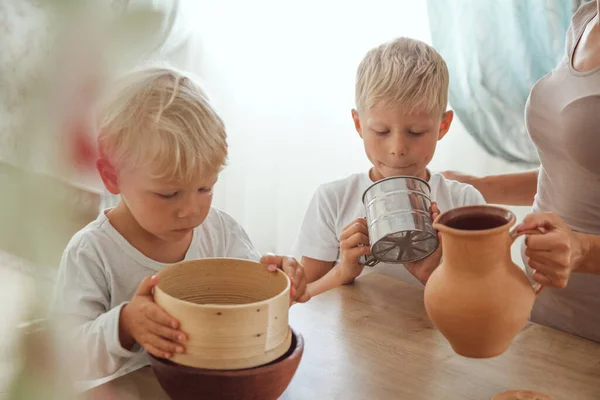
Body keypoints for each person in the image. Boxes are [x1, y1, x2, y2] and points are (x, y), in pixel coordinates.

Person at [53, 67, 310, 389]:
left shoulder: (222, 233)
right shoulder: (91, 252)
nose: (191, 210)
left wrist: (280, 285)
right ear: (112, 176)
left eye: (205, 188)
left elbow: (251, 315)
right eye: (169, 194)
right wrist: (124, 324)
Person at [443, 0, 600, 343]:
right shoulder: (587, 15)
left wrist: (583, 250)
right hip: (543, 309)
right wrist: (479, 188)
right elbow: (577, 172)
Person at [293, 37, 486, 297]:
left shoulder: (464, 205)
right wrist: (344, 272)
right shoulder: (333, 200)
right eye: (381, 131)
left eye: (416, 132)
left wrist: (433, 278)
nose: (397, 148)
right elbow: (302, 301)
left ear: (443, 126)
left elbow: (483, 301)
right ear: (359, 124)